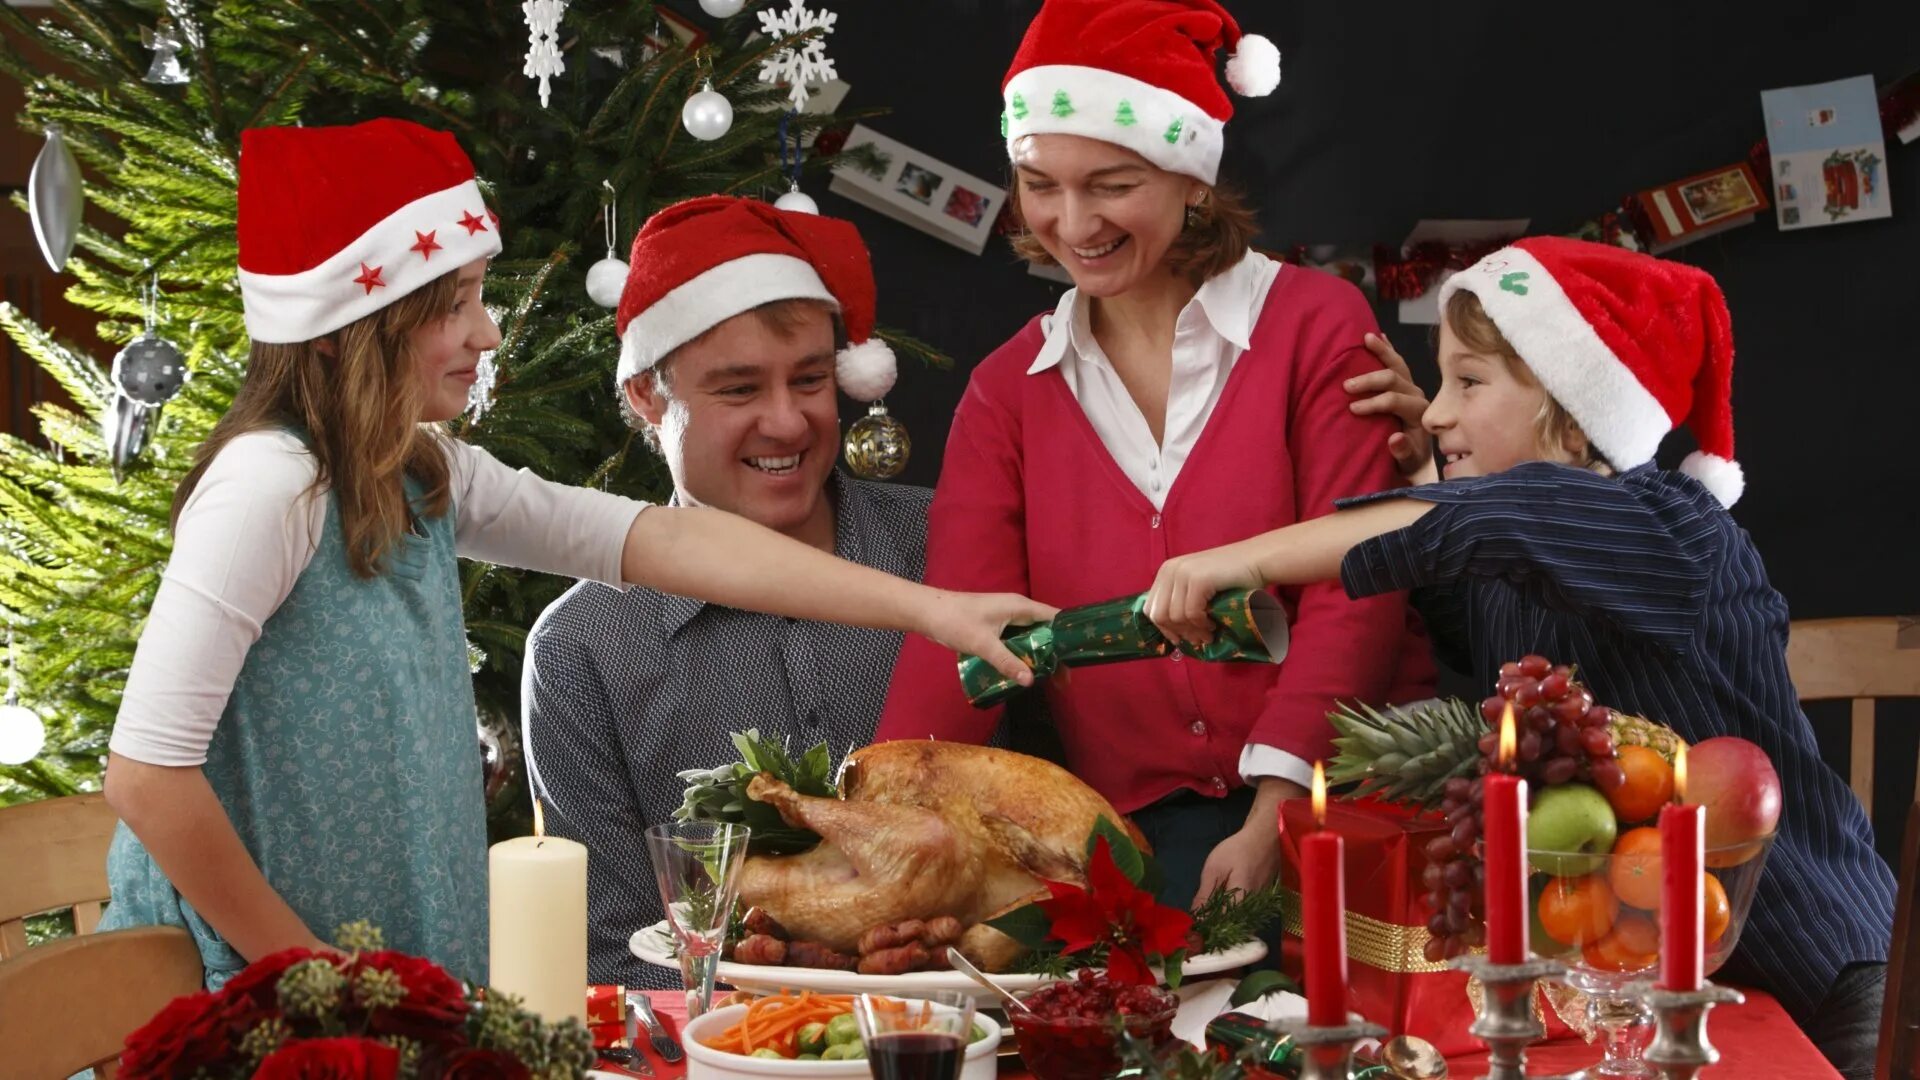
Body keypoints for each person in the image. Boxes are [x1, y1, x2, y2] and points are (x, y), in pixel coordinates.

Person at [97, 120, 1051, 988]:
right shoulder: (267, 486)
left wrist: (932, 609)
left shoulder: (425, 474)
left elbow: (665, 540)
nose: (488, 331)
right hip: (257, 973)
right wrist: (310, 974)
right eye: (456, 305)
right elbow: (145, 776)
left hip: (373, 945)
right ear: (364, 323)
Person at [1144, 236, 1894, 1078]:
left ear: (1573, 411)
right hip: (1634, 978)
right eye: (1438, 383)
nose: (1435, 409)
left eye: (1469, 382)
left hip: (1825, 977)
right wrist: (1429, 466)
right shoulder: (1513, 560)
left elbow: (1494, 518)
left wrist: (1238, 559)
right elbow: (1472, 558)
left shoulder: (1669, 527)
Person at [876, 0, 1435, 909]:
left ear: (1193, 179)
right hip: (1140, 833)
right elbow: (964, 636)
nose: (1071, 220)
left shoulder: (1315, 328)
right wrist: (884, 821)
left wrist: (1278, 813)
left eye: (1111, 182)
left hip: (1353, 802)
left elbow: (1357, 586)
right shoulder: (1005, 390)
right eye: (1040, 182)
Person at [522, 196, 939, 986]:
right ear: (648, 395)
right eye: (739, 391)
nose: (786, 424)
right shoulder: (584, 649)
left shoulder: (948, 548)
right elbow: (616, 958)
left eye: (811, 379)